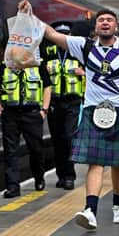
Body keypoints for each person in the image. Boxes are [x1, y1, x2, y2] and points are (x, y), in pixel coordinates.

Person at [42, 7, 119, 231]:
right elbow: (51, 34)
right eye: (101, 20)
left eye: (109, 20)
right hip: (94, 111)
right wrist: (28, 15)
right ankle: (90, 209)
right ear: (96, 26)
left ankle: (118, 204)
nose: (105, 23)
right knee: (96, 162)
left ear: (115, 26)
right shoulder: (85, 46)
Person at [0, 4, 52, 198]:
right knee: (10, 151)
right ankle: (12, 186)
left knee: (35, 149)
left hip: (32, 113)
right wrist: (0, 107)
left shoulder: (37, 66)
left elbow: (47, 86)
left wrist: (43, 109)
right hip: (10, 113)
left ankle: (39, 177)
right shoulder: (5, 67)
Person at [41, 21, 85, 190]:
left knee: (68, 136)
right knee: (57, 139)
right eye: (61, 35)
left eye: (67, 35)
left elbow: (96, 72)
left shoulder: (78, 54)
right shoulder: (48, 54)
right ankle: (61, 175)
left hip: (72, 101)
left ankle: (69, 176)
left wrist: (83, 72)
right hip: (53, 102)